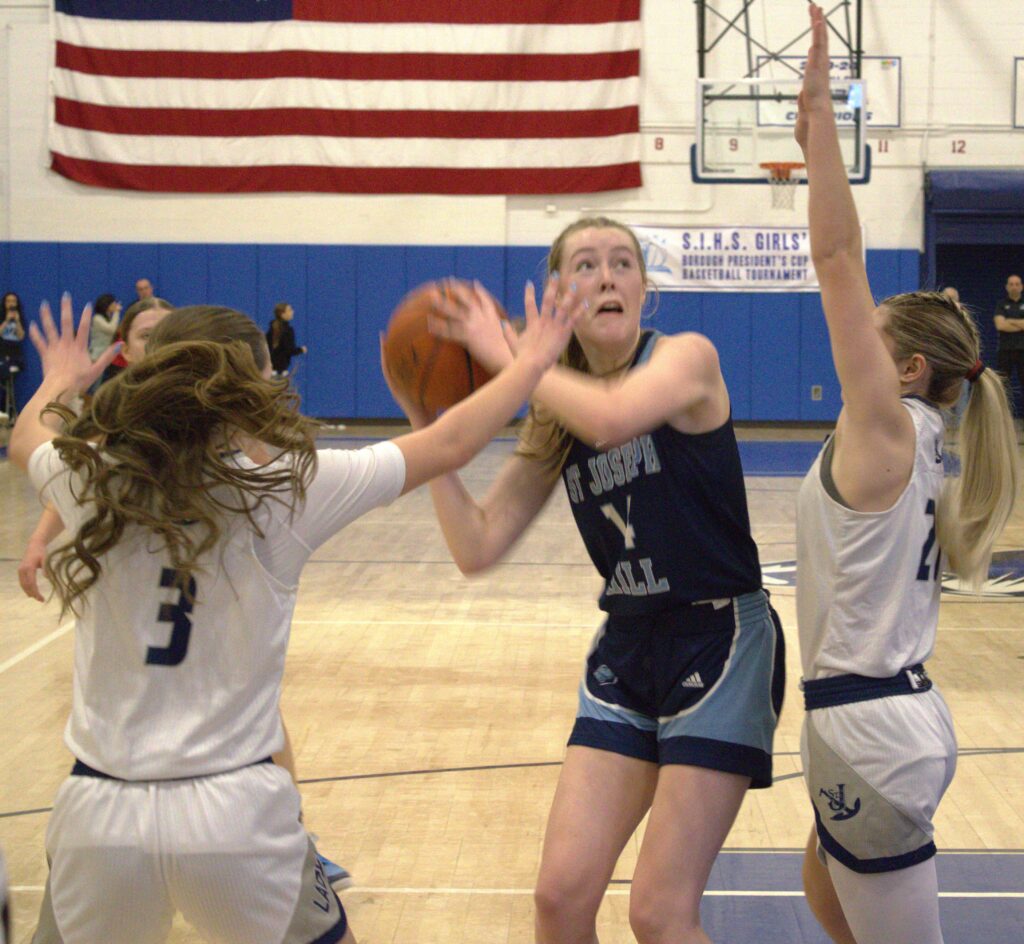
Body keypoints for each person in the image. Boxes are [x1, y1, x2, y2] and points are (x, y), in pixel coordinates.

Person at [9, 291, 577, 944]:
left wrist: (60, 378)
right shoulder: (288, 488)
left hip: (99, 814)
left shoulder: (87, 478)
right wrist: (528, 363)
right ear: (259, 388)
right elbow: (449, 444)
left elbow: (29, 435)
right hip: (235, 817)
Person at [403, 222, 785, 944]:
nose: (608, 276)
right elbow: (477, 544)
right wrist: (431, 429)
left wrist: (517, 360)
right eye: (586, 266)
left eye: (622, 264)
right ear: (560, 297)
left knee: (658, 913)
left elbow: (612, 420)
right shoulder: (555, 414)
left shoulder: (686, 358)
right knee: (560, 898)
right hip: (630, 643)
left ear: (646, 289)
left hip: (720, 641)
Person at [794, 8, 1020, 944]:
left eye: (871, 338)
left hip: (871, 728)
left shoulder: (885, 429)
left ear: (909, 369)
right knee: (821, 892)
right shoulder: (918, 434)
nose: (853, 341)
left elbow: (837, 255)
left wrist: (819, 126)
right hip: (879, 716)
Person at [100, 295, 173, 385]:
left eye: (167, 334)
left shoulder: (192, 391)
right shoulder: (113, 396)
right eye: (146, 335)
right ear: (126, 351)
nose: (157, 342)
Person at [994, 274, 1024, 419]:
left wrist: (1010, 321)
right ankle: (1003, 418)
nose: (1014, 286)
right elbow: (1000, 325)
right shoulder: (1001, 304)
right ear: (1007, 287)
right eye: (1011, 284)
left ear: (1021, 286)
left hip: (1022, 350)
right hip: (1005, 350)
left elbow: (1006, 323)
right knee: (1003, 385)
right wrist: (1020, 323)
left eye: (1017, 284)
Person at [1, 291, 26, 416]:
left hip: (15, 355)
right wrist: (6, 321)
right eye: (8, 301)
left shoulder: (19, 317)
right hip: (2, 352)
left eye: (13, 301)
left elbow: (21, 336)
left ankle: (7, 410)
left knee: (7, 378)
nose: (11, 303)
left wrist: (17, 322)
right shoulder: (1, 317)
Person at [267, 302, 306, 377]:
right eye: (290, 310)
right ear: (283, 314)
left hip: (271, 371)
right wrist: (301, 350)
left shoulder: (271, 330)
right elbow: (289, 350)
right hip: (281, 372)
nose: (292, 311)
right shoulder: (287, 330)